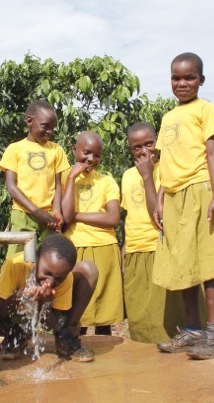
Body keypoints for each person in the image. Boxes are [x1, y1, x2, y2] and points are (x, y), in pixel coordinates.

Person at [153, 52, 214, 359]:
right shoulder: (166, 118)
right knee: (183, 263)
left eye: (190, 77)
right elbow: (164, 163)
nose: (182, 83)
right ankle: (191, 331)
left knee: (210, 263)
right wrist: (160, 199)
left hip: (200, 189)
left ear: (201, 80)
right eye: (176, 77)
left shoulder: (206, 109)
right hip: (174, 197)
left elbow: (212, 152)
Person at [121, 122, 199, 344]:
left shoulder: (168, 169)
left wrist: (147, 177)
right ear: (130, 149)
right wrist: (125, 249)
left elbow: (158, 217)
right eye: (137, 148)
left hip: (160, 248)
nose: (145, 151)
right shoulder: (127, 176)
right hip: (136, 251)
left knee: (164, 315)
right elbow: (131, 215)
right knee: (139, 316)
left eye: (149, 144)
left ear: (158, 142)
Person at [0, 234, 98, 362]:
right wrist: (19, 296)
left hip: (39, 317)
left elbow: (48, 326)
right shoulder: (16, 265)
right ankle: (15, 334)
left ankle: (66, 337)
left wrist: (44, 302)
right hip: (12, 313)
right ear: (36, 257)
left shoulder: (65, 279)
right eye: (46, 273)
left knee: (89, 268)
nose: (50, 282)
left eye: (58, 279)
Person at [61, 131, 123, 336]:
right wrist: (71, 177)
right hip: (75, 248)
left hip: (105, 248)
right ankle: (76, 350)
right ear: (74, 150)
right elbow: (65, 214)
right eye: (86, 153)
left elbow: (113, 218)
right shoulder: (63, 178)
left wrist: (76, 216)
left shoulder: (107, 182)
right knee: (78, 313)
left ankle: (104, 361)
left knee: (104, 316)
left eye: (96, 155)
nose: (91, 159)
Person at [0, 101, 70, 258]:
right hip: (23, 214)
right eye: (45, 126)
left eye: (52, 128)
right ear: (29, 121)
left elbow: (58, 185)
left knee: (49, 260)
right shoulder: (15, 149)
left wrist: (56, 210)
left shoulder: (57, 150)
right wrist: (36, 211)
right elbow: (11, 186)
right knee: (17, 261)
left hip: (49, 218)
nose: (49, 131)